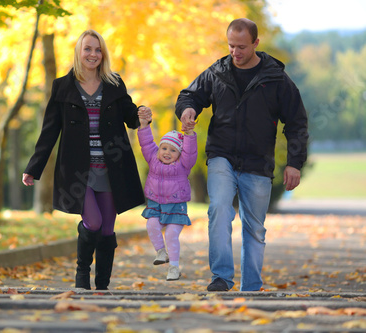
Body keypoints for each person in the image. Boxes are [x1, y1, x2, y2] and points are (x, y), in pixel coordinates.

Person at [175, 18, 309, 291]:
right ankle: (221, 278)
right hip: (221, 154)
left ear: (256, 44)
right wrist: (187, 110)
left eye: (242, 47)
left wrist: (294, 163)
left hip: (258, 162)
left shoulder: (276, 79)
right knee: (220, 208)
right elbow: (189, 95)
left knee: (255, 228)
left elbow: (296, 122)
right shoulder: (218, 72)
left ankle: (251, 288)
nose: (235, 52)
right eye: (231, 45)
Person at [22, 29, 149, 290]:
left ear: (103, 54)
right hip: (78, 171)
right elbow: (49, 131)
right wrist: (34, 168)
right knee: (93, 222)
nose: (93, 54)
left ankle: (102, 285)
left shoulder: (114, 83)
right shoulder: (62, 87)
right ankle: (82, 274)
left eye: (98, 49)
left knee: (106, 231)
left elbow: (131, 117)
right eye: (88, 49)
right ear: (79, 52)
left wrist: (142, 115)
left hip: (112, 168)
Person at [137, 109, 197, 281]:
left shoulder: (183, 165)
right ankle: (161, 252)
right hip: (156, 205)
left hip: (176, 206)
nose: (167, 152)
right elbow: (147, 143)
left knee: (171, 234)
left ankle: (174, 267)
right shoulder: (152, 159)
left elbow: (190, 152)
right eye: (164, 148)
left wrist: (190, 134)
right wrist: (143, 125)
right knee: (151, 225)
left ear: (179, 154)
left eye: (172, 150)